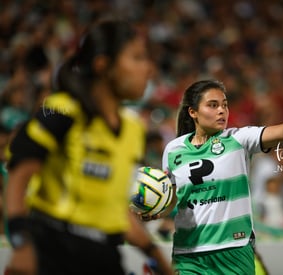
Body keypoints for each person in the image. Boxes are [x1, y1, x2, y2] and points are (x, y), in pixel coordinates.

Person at [4, 19, 173, 275]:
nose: (148, 68)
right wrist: (20, 244)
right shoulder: (61, 110)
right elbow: (18, 177)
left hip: (104, 256)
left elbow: (116, 210)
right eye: (137, 58)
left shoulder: (133, 129)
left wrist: (157, 257)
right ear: (103, 65)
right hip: (51, 250)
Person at [154, 79, 283, 274]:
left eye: (225, 105)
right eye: (213, 105)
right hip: (189, 254)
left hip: (233, 253)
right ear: (193, 112)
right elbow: (173, 198)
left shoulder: (238, 139)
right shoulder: (173, 149)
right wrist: (156, 209)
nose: (222, 111)